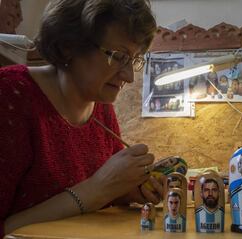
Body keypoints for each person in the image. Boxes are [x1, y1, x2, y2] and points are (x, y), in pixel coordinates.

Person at [0, 0, 163, 236]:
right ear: (69, 45)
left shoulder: (100, 106)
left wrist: (124, 192)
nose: (129, 76)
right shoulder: (10, 96)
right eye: (118, 56)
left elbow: (93, 201)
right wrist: (99, 189)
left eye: (134, 60)